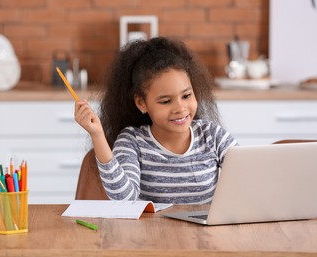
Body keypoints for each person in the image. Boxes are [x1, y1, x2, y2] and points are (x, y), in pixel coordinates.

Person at [74, 36, 237, 204]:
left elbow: (247, 179)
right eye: (166, 101)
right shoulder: (133, 141)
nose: (180, 108)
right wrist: (98, 135)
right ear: (141, 103)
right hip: (153, 230)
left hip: (203, 230)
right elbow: (124, 198)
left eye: (186, 95)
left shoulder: (213, 136)